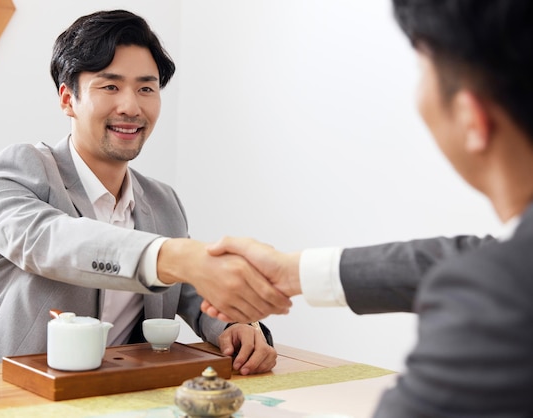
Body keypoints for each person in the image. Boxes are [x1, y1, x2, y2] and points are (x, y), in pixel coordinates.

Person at [204, 0, 533, 415]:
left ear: (471, 118)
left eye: (422, 71)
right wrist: (293, 272)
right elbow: (480, 256)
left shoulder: (496, 301)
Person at [0, 9, 291, 375]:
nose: (131, 107)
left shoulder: (163, 201)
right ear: (68, 99)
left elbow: (189, 289)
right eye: (110, 86)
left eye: (146, 88)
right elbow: (50, 242)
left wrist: (234, 325)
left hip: (116, 395)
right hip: (1, 394)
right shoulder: (19, 170)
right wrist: (172, 253)